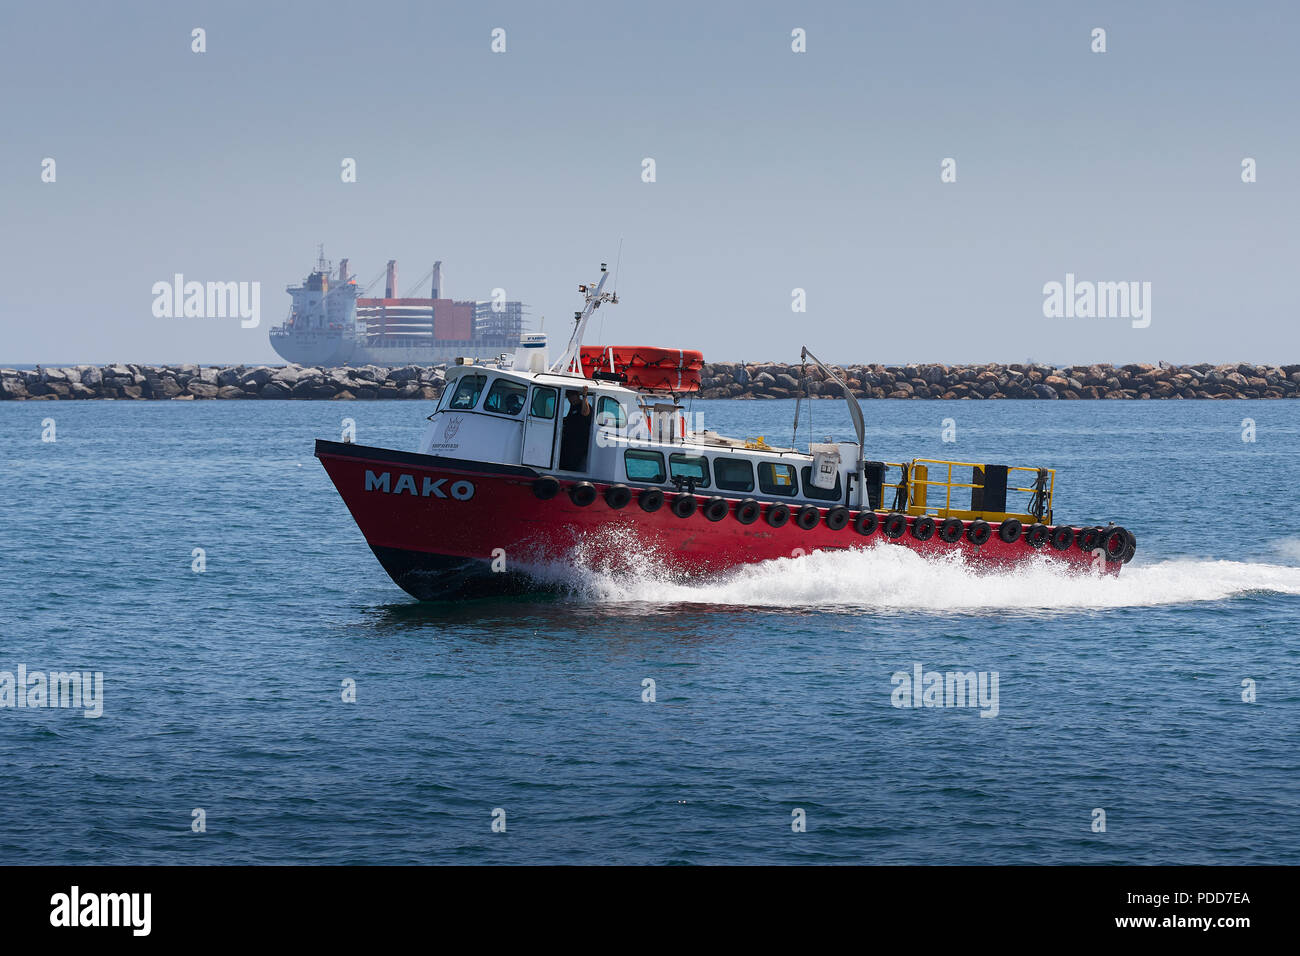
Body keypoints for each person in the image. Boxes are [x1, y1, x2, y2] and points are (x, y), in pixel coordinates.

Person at [558, 387, 593, 471]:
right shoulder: (572, 406)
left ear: (577, 395)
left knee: (571, 465)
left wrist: (585, 396)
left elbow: (585, 412)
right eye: (568, 396)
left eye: (572, 395)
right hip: (568, 443)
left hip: (578, 445)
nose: (570, 398)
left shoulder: (583, 405)